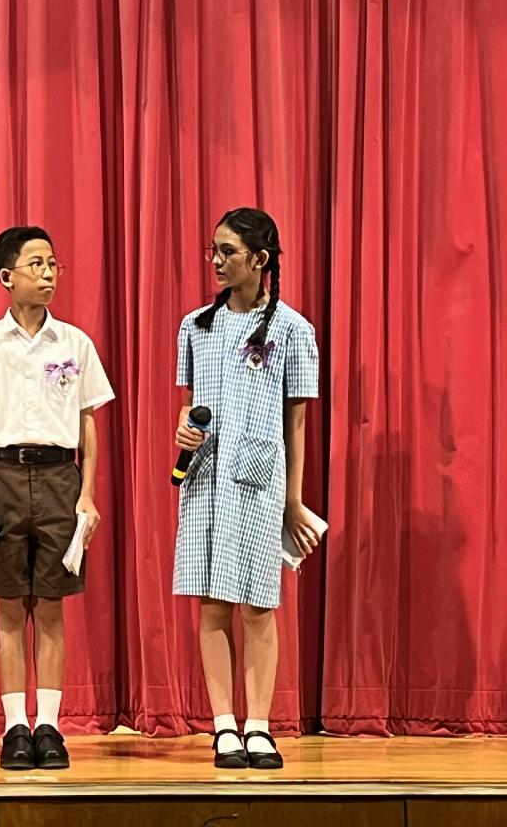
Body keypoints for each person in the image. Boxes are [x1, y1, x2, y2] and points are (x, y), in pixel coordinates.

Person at [0, 226, 114, 770]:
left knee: (53, 607)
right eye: (36, 264)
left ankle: (50, 726)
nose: (47, 274)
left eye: (52, 264)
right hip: (2, 475)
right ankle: (16, 726)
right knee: (10, 606)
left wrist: (87, 495)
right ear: (6, 276)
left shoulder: (75, 343)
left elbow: (88, 422)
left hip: (60, 477)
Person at [172, 208, 320, 770]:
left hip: (259, 480)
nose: (216, 260)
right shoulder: (196, 325)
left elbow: (296, 422)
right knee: (212, 603)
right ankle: (224, 726)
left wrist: (293, 499)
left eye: (227, 251)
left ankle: (259, 725)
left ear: (259, 259)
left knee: (258, 606)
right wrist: (183, 428)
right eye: (213, 249)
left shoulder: (293, 330)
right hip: (204, 478)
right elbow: (190, 403)